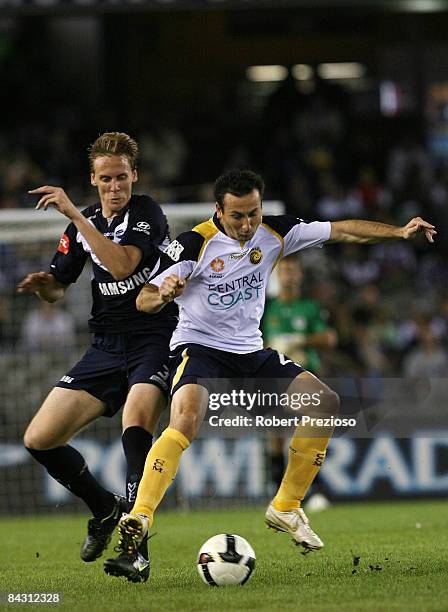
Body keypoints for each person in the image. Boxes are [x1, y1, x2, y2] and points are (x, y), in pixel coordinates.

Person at [103, 168, 435, 582]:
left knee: (325, 402)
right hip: (200, 347)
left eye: (253, 214)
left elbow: (343, 231)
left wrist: (399, 233)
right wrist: (162, 294)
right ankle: (141, 518)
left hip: (250, 351)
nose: (247, 225)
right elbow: (145, 299)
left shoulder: (276, 231)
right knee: (184, 418)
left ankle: (285, 506)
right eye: (238, 216)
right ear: (219, 211)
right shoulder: (192, 243)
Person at [17, 132, 178, 583]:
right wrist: (43, 285)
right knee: (39, 438)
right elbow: (58, 286)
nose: (115, 187)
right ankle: (105, 508)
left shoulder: (146, 213)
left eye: (122, 178)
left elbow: (123, 265)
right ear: (94, 179)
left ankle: (137, 551)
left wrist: (74, 214)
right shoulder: (82, 224)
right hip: (105, 347)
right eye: (106, 179)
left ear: (135, 177)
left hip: (155, 339)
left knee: (136, 421)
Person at [262, 255, 337, 509]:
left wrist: (300, 342)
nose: (289, 276)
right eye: (284, 271)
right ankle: (277, 492)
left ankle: (313, 490)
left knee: (306, 433)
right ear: (278, 276)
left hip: (307, 375)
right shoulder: (267, 307)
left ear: (300, 275)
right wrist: (273, 349)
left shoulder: (309, 307)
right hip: (275, 380)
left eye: (293, 271)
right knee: (276, 435)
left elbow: (329, 338)